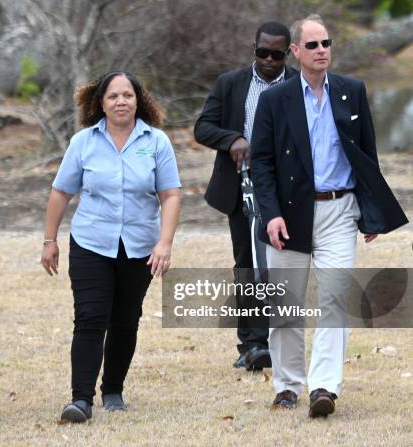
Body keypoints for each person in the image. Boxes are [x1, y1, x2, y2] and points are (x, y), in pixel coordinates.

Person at [250, 15, 408, 417]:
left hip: (339, 209)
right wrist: (269, 215)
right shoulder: (275, 99)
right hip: (288, 214)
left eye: (327, 43)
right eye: (314, 45)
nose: (323, 51)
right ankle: (286, 387)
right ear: (296, 52)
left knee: (335, 298)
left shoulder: (352, 92)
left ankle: (324, 387)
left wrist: (370, 212)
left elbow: (366, 156)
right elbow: (262, 164)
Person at [41, 71, 181, 423]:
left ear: (139, 100)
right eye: (113, 96)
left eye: (128, 95)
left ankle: (113, 389)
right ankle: (81, 399)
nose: (121, 102)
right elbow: (61, 191)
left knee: (125, 320)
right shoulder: (83, 142)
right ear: (100, 103)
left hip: (139, 246)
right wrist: (49, 239)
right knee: (89, 318)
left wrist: (165, 242)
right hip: (91, 242)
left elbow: (170, 194)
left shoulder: (157, 141)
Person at [194, 22, 297, 371]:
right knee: (247, 264)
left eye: (277, 54)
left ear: (289, 51)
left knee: (278, 265)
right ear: (253, 47)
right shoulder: (230, 83)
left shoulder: (298, 85)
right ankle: (252, 345)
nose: (269, 60)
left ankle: (273, 340)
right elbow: (203, 127)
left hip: (286, 190)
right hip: (241, 189)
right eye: (262, 52)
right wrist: (232, 139)